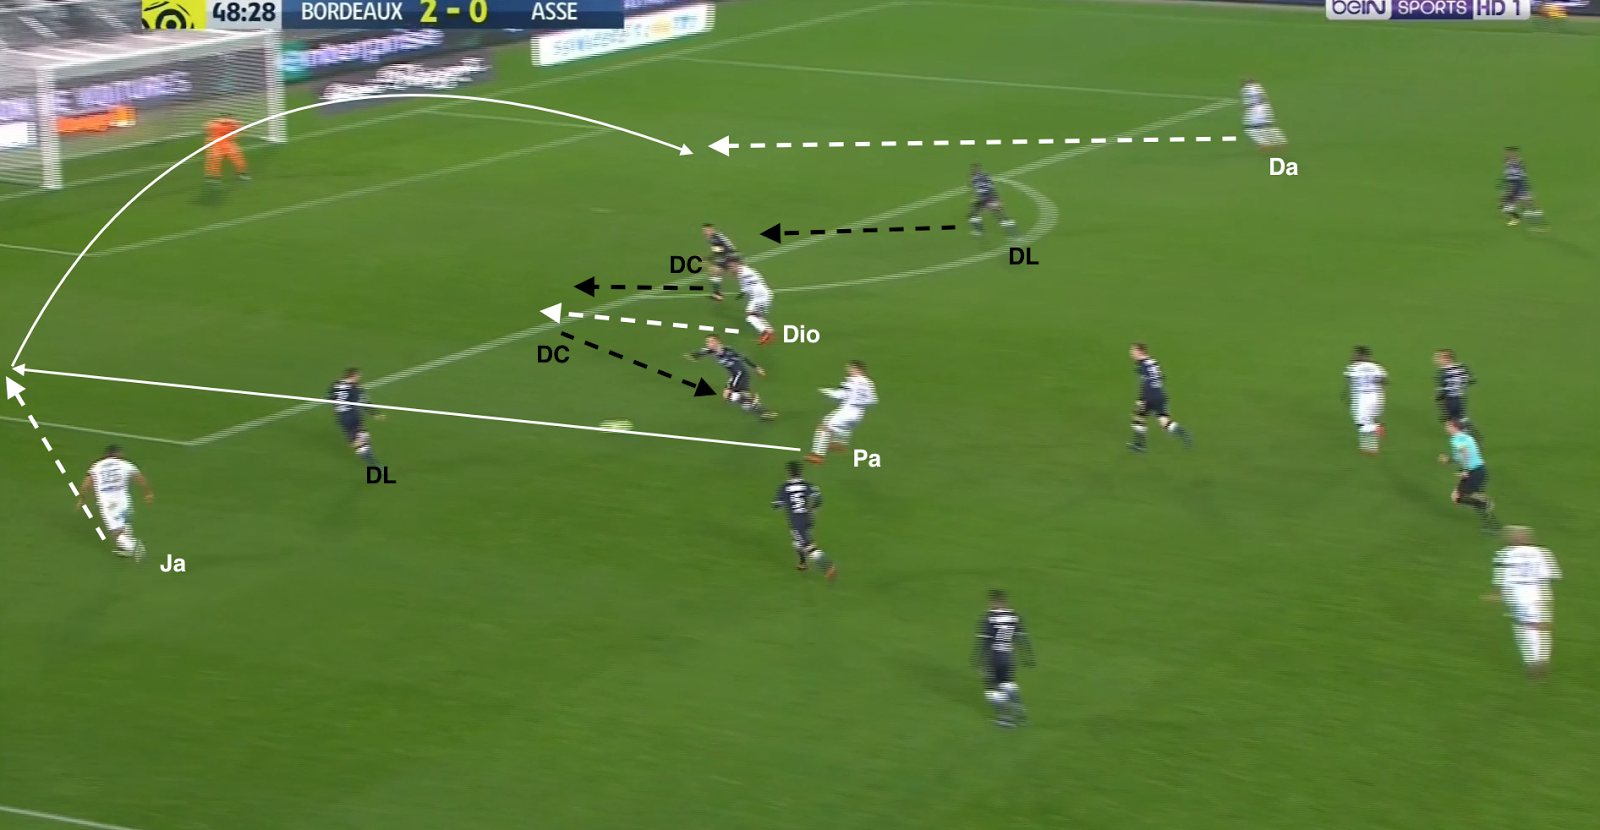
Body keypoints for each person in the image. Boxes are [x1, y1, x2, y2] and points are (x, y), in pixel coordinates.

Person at [1485, 526, 1560, 679]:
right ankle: (1541, 661)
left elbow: (1500, 581)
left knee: (1524, 629)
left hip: (1518, 595)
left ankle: (1532, 662)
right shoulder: (1542, 552)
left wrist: (1495, 594)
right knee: (1542, 629)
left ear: (1511, 540)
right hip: (1540, 593)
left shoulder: (1504, 554)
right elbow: (1552, 576)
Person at [76, 445, 154, 560]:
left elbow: (86, 483)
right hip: (124, 500)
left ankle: (134, 548)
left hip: (108, 502)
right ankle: (126, 549)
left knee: (116, 531)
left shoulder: (97, 466)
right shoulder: (125, 464)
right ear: (117, 453)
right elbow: (140, 478)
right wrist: (148, 493)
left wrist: (82, 499)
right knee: (124, 523)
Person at [972, 590, 1034, 728]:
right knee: (1007, 682)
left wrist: (977, 660)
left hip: (994, 657)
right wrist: (1027, 656)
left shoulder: (989, 618)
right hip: (1008, 656)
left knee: (991, 689)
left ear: (994, 602)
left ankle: (1005, 718)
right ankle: (1019, 707)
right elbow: (1021, 639)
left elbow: (985, 642)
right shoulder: (1014, 617)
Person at [772, 460, 836, 579]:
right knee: (797, 541)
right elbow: (818, 499)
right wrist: (814, 508)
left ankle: (827, 566)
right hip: (808, 517)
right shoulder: (808, 485)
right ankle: (803, 563)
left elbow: (777, 505)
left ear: (788, 473)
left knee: (807, 545)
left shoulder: (784, 488)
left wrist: (780, 504)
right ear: (801, 472)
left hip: (796, 520)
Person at [686, 336, 776, 419]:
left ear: (717, 342)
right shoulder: (711, 351)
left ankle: (751, 401)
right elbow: (703, 352)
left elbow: (743, 358)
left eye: (710, 341)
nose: (708, 344)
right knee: (733, 398)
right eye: (707, 342)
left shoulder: (729, 351)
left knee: (729, 395)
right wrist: (695, 355)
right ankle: (761, 410)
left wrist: (756, 367)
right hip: (734, 375)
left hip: (739, 374)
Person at [808, 360, 876, 464]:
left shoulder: (851, 380)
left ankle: (817, 456)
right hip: (859, 413)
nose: (849, 370)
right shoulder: (869, 383)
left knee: (824, 427)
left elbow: (840, 395)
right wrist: (859, 402)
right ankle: (839, 444)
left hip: (847, 410)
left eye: (851, 368)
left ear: (858, 369)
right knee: (841, 425)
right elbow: (873, 401)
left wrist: (828, 392)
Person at [1128, 343, 1192, 453]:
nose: (1131, 353)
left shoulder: (1141, 365)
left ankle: (1140, 445)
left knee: (1139, 418)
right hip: (1160, 394)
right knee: (1164, 422)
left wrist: (1141, 399)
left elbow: (1145, 383)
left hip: (1149, 396)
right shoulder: (1153, 362)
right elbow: (1161, 377)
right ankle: (1184, 435)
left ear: (1139, 351)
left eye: (1133, 351)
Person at [1440, 419, 1498, 532]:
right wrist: (1449, 460)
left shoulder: (1456, 439)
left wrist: (1465, 470)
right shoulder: (1466, 437)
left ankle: (1485, 504)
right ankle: (1491, 524)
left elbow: (1464, 452)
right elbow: (1465, 453)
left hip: (1473, 472)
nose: (1445, 428)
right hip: (1479, 470)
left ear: (1454, 427)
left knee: (1458, 497)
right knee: (1463, 497)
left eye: (1448, 426)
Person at [328, 367, 383, 464]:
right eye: (358, 375)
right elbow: (364, 402)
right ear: (354, 376)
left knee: (357, 435)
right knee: (363, 439)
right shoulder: (355, 389)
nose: (359, 377)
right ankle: (374, 463)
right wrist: (375, 413)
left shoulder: (336, 384)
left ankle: (355, 442)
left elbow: (330, 396)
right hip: (353, 415)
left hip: (341, 416)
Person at [1345, 346, 1387, 455]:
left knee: (1361, 424)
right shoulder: (1377, 367)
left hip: (1363, 398)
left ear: (1360, 355)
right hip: (1377, 396)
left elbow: (1349, 382)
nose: (1353, 356)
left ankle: (1377, 428)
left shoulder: (1353, 367)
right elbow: (1384, 381)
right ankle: (1370, 447)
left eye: (1355, 354)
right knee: (1369, 420)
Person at [967, 164, 1017, 237]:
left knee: (977, 213)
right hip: (990, 196)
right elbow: (991, 185)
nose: (971, 171)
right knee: (995, 211)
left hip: (984, 197)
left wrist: (983, 204)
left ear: (975, 171)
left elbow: (973, 186)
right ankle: (1009, 223)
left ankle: (979, 231)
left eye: (973, 170)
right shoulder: (986, 175)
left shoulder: (974, 178)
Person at [204, 114, 249, 183]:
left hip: (229, 143)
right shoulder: (214, 124)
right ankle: (213, 176)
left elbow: (240, 130)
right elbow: (208, 129)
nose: (226, 119)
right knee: (215, 159)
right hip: (217, 144)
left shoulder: (233, 123)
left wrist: (235, 126)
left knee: (238, 159)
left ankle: (241, 173)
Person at [702, 223, 738, 301]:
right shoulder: (716, 236)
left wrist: (707, 258)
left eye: (707, 230)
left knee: (715, 271)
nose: (705, 232)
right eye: (704, 230)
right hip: (728, 255)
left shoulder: (715, 239)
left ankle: (717, 294)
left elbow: (718, 250)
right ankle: (717, 294)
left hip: (728, 256)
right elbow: (719, 249)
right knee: (714, 272)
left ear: (712, 230)